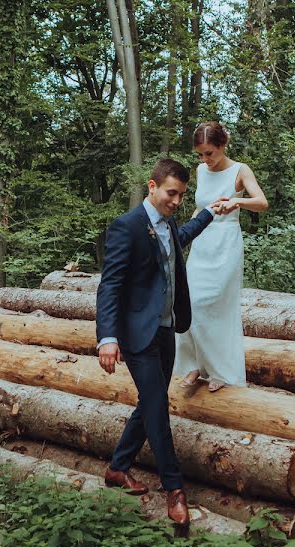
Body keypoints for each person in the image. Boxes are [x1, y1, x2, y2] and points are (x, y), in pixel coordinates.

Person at [95, 158, 222, 527]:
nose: (177, 201)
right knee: (157, 407)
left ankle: (118, 468)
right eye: (171, 193)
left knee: (149, 404)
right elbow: (111, 286)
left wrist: (209, 214)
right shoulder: (126, 227)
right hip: (137, 335)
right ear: (152, 187)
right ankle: (174, 489)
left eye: (182, 195)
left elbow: (177, 242)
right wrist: (107, 337)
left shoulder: (168, 224)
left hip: (167, 330)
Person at [175, 122, 268, 392]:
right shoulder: (201, 171)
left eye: (209, 154)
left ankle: (219, 369)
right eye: (200, 155)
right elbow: (198, 209)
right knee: (187, 302)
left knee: (213, 305)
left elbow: (262, 202)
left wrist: (236, 202)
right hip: (201, 242)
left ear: (222, 146)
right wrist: (183, 238)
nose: (205, 160)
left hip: (226, 243)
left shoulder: (240, 170)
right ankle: (193, 366)